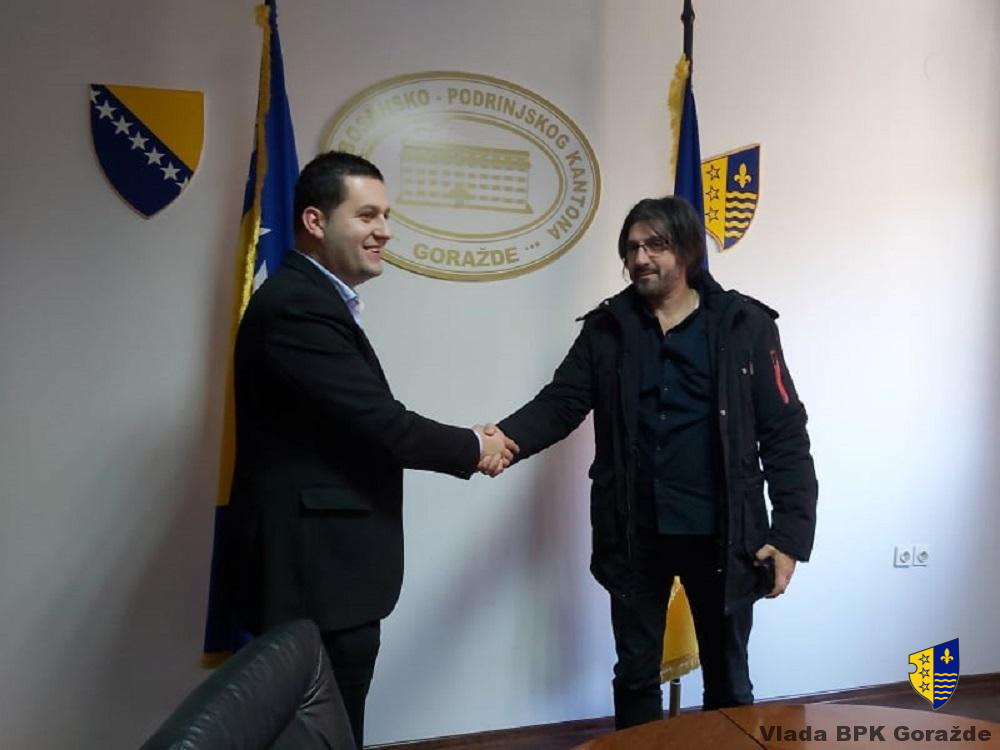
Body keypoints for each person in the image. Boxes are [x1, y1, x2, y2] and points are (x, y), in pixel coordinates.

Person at [225, 151, 518, 748]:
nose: (384, 230)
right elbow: (383, 425)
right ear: (314, 221)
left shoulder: (314, 299)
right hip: (317, 579)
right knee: (324, 737)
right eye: (366, 215)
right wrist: (475, 446)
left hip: (329, 578)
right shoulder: (297, 306)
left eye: (386, 216)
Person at [493, 195, 817, 729]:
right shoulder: (608, 328)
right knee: (635, 675)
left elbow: (784, 433)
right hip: (633, 531)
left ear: (686, 250)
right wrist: (503, 439)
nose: (640, 258)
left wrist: (789, 537)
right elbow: (561, 402)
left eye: (655, 245)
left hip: (723, 534)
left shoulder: (744, 325)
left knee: (729, 679)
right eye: (632, 247)